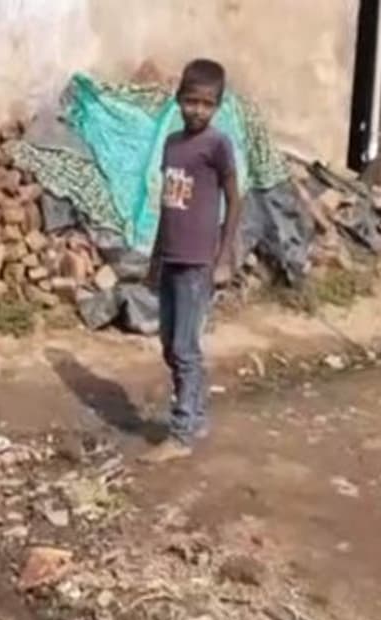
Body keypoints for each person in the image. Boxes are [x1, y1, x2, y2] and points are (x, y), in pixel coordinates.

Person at [140, 58, 242, 464]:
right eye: (191, 101)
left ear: (218, 105)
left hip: (198, 262)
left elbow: (235, 198)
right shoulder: (171, 144)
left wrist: (224, 256)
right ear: (178, 98)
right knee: (171, 346)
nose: (198, 110)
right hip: (171, 257)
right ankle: (196, 416)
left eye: (207, 103)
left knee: (184, 348)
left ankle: (181, 433)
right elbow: (168, 207)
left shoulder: (217, 145)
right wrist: (155, 259)